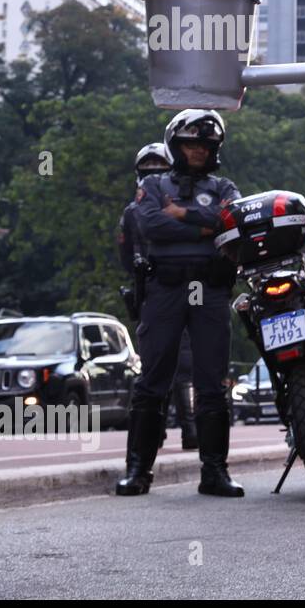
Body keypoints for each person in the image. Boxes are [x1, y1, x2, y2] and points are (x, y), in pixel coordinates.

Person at [116, 110, 242, 497]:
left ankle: (214, 472)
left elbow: (234, 220)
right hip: (165, 287)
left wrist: (184, 214)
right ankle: (138, 470)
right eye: (191, 144)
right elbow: (149, 224)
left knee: (211, 382)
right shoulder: (153, 184)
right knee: (152, 379)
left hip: (210, 287)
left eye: (205, 145)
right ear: (176, 145)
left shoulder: (224, 185)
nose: (198, 151)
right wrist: (207, 224)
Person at [117, 143, 199, 452]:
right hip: (167, 287)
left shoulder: (134, 210)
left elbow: (125, 256)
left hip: (160, 288)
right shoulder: (178, 205)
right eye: (149, 171)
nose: (153, 176)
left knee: (160, 361)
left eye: (158, 170)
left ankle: (170, 429)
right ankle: (179, 429)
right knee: (174, 361)